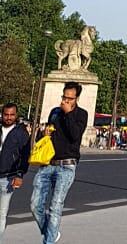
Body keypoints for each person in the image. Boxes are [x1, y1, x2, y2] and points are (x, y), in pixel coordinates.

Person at [30, 81, 88, 244]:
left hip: (66, 166)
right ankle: (51, 233)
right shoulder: (54, 112)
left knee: (55, 206)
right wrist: (43, 134)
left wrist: (68, 113)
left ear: (76, 98)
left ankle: (48, 241)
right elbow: (46, 136)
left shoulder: (81, 114)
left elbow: (75, 135)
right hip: (48, 163)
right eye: (64, 97)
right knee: (35, 205)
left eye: (70, 98)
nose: (66, 100)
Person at [0, 103, 30, 239]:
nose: (8, 117)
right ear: (2, 114)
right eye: (6, 114)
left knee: (1, 214)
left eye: (12, 115)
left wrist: (20, 174)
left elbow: (25, 156)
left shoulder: (21, 133)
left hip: (8, 178)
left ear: (16, 115)